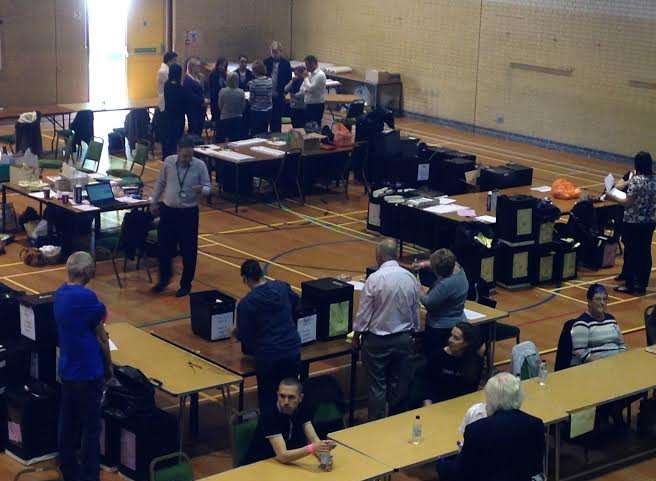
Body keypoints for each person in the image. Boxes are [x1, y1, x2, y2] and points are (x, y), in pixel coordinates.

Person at [55, 251, 113, 481]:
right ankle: (90, 475)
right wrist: (109, 366)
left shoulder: (60, 294)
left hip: (67, 369)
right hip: (88, 372)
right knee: (91, 429)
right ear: (88, 272)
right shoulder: (87, 298)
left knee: (67, 422)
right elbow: (101, 334)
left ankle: (68, 470)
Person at [353, 238, 421, 420]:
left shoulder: (374, 279)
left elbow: (364, 313)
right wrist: (415, 330)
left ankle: (376, 423)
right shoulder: (410, 277)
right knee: (399, 383)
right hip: (403, 339)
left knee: (377, 386)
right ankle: (397, 421)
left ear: (379, 257)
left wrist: (356, 336)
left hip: (377, 341)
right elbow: (415, 307)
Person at [437, 372, 545, 481]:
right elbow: (535, 467)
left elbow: (462, 473)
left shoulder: (476, 430)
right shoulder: (536, 424)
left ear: (493, 401)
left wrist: (440, 463)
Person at [236, 259, 301, 412]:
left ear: (245, 279)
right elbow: (296, 302)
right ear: (262, 273)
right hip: (292, 350)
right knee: (291, 396)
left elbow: (245, 336)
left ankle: (272, 432)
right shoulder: (281, 287)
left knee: (268, 401)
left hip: (269, 356)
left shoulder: (247, 304)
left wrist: (236, 332)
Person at [151, 135, 211, 297]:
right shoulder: (168, 162)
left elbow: (208, 187)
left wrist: (202, 190)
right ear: (178, 151)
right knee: (164, 248)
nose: (187, 159)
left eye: (190, 156)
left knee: (189, 250)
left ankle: (186, 284)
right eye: (184, 156)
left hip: (188, 214)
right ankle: (163, 280)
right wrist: (154, 200)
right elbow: (161, 183)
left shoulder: (200, 166)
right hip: (169, 211)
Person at [245, 378, 336, 465]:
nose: (286, 402)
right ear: (277, 395)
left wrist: (325, 459)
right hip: (260, 464)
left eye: (291, 397)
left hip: (287, 464)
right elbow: (282, 456)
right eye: (282, 396)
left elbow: (315, 440)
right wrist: (312, 448)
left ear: (300, 398)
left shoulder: (301, 409)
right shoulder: (269, 415)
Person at [608, 151, 656, 295]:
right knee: (645, 252)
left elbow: (627, 202)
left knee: (632, 251)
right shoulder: (654, 180)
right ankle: (642, 284)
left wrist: (613, 196)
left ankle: (630, 284)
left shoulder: (637, 180)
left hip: (633, 222)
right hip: (649, 222)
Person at [420, 249, 469, 358]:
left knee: (436, 359)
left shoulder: (446, 284)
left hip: (440, 328)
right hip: (458, 321)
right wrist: (422, 264)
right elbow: (441, 262)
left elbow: (428, 302)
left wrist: (418, 288)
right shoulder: (458, 269)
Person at [425, 322, 483, 404]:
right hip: (438, 402)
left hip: (462, 403)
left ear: (466, 343)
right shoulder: (438, 356)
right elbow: (428, 386)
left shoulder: (475, 361)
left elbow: (472, 389)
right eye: (451, 335)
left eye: (456, 338)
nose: (450, 340)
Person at [571, 283, 627, 365]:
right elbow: (580, 352)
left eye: (604, 299)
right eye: (598, 299)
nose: (602, 303)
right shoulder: (582, 324)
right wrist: (603, 363)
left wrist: (623, 358)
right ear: (589, 301)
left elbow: (621, 344)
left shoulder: (611, 319)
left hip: (617, 363)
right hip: (596, 366)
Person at [264, 41, 292, 132]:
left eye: (276, 52)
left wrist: (284, 92)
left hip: (279, 93)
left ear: (281, 51)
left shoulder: (285, 63)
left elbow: (289, 78)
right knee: (266, 117)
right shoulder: (266, 62)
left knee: (277, 117)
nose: (274, 54)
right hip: (267, 93)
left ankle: (276, 135)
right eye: (272, 51)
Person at [162, 64, 186, 159]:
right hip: (178, 118)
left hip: (166, 117)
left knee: (167, 141)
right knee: (175, 141)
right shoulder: (181, 89)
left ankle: (166, 159)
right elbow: (184, 104)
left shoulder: (165, 86)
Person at [217, 72, 246, 143]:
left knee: (223, 139)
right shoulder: (241, 92)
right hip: (237, 118)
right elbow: (243, 107)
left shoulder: (222, 91)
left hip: (225, 118)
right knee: (235, 140)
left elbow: (220, 105)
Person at [182, 57, 206, 137]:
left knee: (199, 128)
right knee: (194, 128)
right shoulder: (187, 79)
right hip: (192, 108)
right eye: (197, 66)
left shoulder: (199, 77)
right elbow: (190, 95)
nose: (199, 68)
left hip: (201, 108)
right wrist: (202, 100)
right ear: (192, 67)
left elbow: (203, 90)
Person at [248, 60, 273, 135]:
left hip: (257, 111)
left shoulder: (253, 83)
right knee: (264, 132)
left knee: (255, 133)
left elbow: (251, 100)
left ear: (255, 71)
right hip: (268, 110)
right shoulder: (269, 80)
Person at [300, 55, 326, 126]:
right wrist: (306, 89)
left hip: (316, 105)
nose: (306, 67)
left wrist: (305, 78)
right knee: (307, 126)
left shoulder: (320, 75)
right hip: (307, 104)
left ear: (314, 64)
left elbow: (310, 88)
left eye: (307, 65)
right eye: (306, 65)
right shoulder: (309, 73)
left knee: (315, 127)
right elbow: (302, 88)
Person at [208, 57, 228, 125]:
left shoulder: (225, 75)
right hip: (215, 97)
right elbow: (211, 86)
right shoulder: (213, 74)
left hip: (223, 98)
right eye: (221, 65)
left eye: (224, 65)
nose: (222, 67)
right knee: (216, 117)